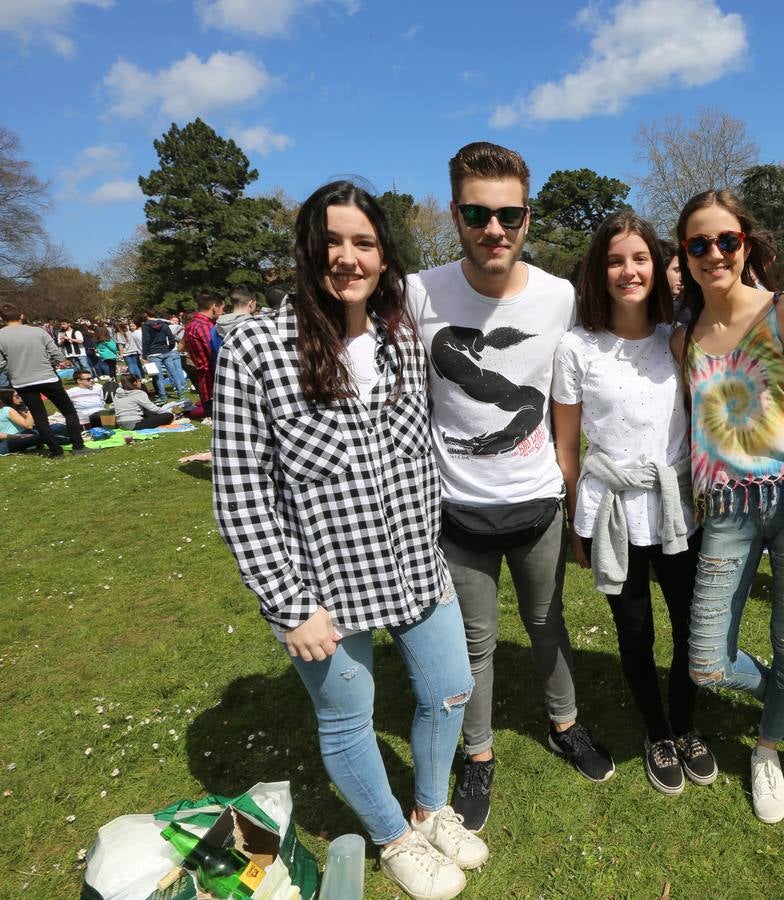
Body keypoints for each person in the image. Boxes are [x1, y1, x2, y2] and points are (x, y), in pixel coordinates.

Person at [212, 181, 485, 900]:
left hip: (412, 564)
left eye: (363, 242)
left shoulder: (398, 335)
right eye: (332, 241)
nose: (347, 257)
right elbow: (240, 490)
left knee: (450, 689)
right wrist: (286, 603)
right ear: (308, 249)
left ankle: (430, 809)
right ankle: (395, 837)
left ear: (384, 254)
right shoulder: (255, 346)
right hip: (320, 584)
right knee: (348, 720)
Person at [405, 142, 614, 834]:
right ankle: (479, 754)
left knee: (548, 625)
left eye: (509, 214)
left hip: (538, 505)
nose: (494, 228)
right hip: (457, 509)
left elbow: (568, 399)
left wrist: (574, 489)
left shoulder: (560, 295)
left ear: (527, 216)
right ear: (455, 213)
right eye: (477, 213)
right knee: (476, 643)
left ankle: (565, 725)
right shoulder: (417, 292)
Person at [674, 189, 784, 824]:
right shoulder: (685, 334)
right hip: (727, 513)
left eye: (726, 240)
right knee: (706, 661)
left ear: (746, 244)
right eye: (698, 244)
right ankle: (773, 694)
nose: (714, 253)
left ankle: (766, 749)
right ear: (684, 255)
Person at [551, 210, 716, 797]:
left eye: (640, 258)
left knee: (692, 624)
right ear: (600, 269)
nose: (629, 271)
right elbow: (567, 444)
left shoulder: (680, 338)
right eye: (616, 260)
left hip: (676, 508)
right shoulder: (576, 347)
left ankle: (688, 724)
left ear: (660, 264)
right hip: (610, 511)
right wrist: (575, 521)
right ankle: (658, 733)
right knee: (636, 629)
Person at [0, 304, 92, 457]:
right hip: (46, 376)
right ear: (21, 315)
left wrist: (12, 367)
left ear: (2, 318)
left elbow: (1, 364)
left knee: (40, 417)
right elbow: (56, 354)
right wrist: (48, 363)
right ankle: (78, 446)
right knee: (69, 412)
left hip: (22, 381)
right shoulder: (38, 331)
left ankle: (56, 451)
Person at [0, 388, 72, 454]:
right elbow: (28, 425)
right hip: (8, 442)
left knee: (56, 427)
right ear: (8, 398)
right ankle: (72, 439)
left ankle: (74, 434)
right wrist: (30, 408)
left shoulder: (13, 409)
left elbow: (33, 422)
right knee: (45, 435)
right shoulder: (7, 410)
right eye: (17, 396)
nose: (20, 398)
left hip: (22, 435)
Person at [184, 293, 222, 414]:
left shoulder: (191, 325)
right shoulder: (204, 326)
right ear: (214, 306)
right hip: (212, 380)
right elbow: (215, 353)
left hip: (204, 380)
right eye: (222, 308)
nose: (222, 312)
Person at [113, 374, 181, 430]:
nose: (141, 383)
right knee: (168, 416)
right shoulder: (138, 393)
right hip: (134, 424)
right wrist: (169, 412)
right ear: (134, 383)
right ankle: (173, 419)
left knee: (147, 412)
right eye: (139, 381)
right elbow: (153, 409)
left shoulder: (117, 393)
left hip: (120, 424)